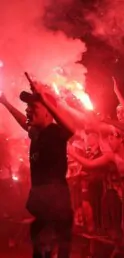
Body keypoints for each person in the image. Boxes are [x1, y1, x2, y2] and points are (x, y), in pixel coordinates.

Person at [0, 83, 76, 258]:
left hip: (56, 200)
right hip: (42, 200)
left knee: (56, 247)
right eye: (27, 107)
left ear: (48, 112)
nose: (27, 111)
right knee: (41, 249)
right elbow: (24, 123)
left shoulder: (55, 132)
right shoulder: (36, 132)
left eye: (33, 107)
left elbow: (70, 129)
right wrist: (5, 103)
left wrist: (46, 101)